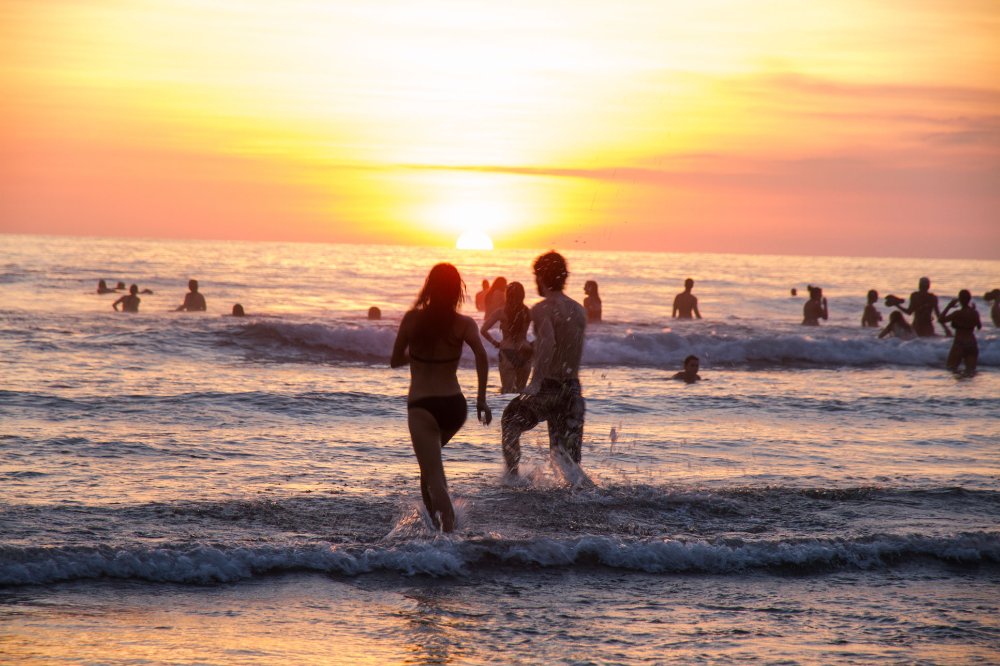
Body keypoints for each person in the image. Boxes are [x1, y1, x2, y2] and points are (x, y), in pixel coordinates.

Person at [390, 263, 491, 532]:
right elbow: (482, 356)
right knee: (429, 470)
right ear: (457, 290)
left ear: (430, 287)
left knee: (434, 477)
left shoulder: (412, 320)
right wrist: (481, 399)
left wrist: (417, 354)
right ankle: (437, 531)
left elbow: (394, 360)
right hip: (455, 407)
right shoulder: (464, 323)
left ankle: (449, 541)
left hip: (423, 407)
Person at [501, 251, 587, 477]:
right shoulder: (578, 310)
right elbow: (564, 347)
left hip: (549, 387)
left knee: (509, 419)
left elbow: (549, 342)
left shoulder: (542, 309)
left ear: (540, 276)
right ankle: (582, 498)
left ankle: (512, 480)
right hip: (573, 389)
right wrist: (533, 348)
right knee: (566, 460)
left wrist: (536, 381)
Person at [481, 281, 532, 393]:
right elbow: (544, 331)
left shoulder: (501, 312)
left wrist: (495, 343)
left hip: (507, 352)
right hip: (525, 353)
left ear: (507, 295)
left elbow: (483, 330)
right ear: (522, 295)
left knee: (507, 393)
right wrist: (533, 344)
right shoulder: (528, 312)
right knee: (521, 392)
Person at [940, 290, 982, 373]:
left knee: (951, 368)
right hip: (972, 344)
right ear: (969, 299)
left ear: (960, 300)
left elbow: (941, 319)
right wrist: (973, 311)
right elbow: (979, 327)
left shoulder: (957, 313)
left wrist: (949, 306)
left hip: (959, 344)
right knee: (970, 372)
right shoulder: (975, 313)